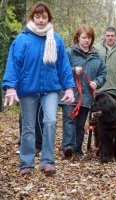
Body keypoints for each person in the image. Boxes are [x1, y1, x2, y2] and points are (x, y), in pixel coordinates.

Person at [2, 1, 75, 175]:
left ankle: (47, 161)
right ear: (32, 17)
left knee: (50, 121)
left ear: (48, 18)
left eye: (44, 17)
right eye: (37, 17)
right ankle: (26, 163)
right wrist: (10, 87)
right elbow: (13, 64)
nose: (41, 20)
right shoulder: (22, 39)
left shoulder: (56, 40)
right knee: (28, 126)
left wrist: (69, 88)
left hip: (50, 89)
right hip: (27, 89)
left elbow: (63, 66)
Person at [60, 25, 107, 159]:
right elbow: (60, 70)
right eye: (84, 37)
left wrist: (97, 82)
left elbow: (103, 73)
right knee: (69, 121)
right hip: (69, 94)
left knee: (80, 124)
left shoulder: (97, 57)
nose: (86, 40)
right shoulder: (68, 53)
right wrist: (73, 70)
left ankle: (77, 149)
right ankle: (67, 147)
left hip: (86, 96)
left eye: (89, 38)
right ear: (78, 38)